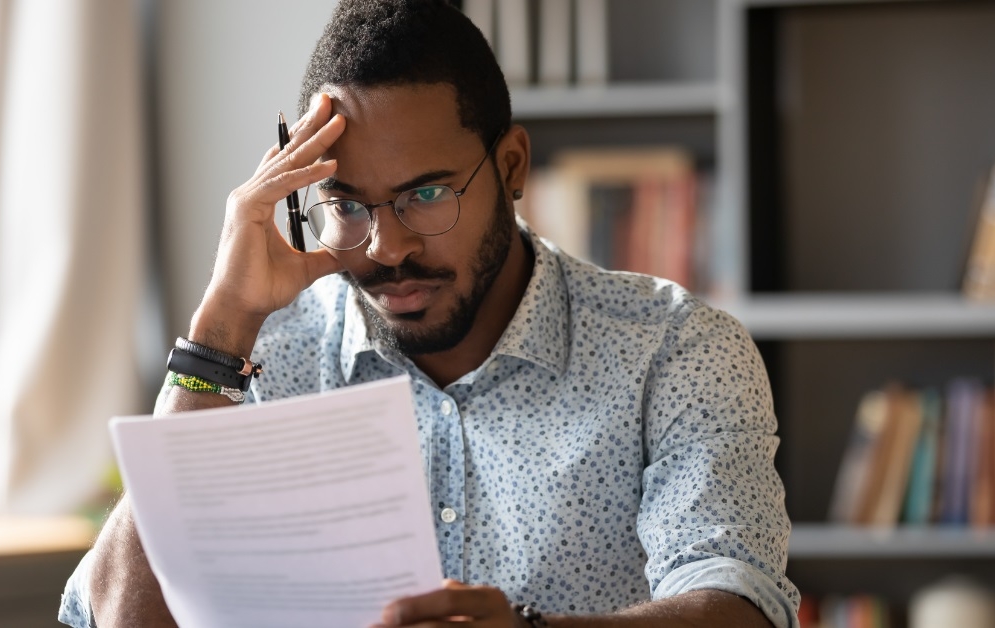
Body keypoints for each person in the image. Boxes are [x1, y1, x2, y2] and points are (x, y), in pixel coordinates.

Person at [59, 1, 800, 626]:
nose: (387, 248)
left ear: (511, 167)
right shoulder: (264, 356)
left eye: (425, 194)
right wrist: (219, 330)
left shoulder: (673, 350)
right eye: (347, 205)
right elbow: (112, 616)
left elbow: (740, 604)